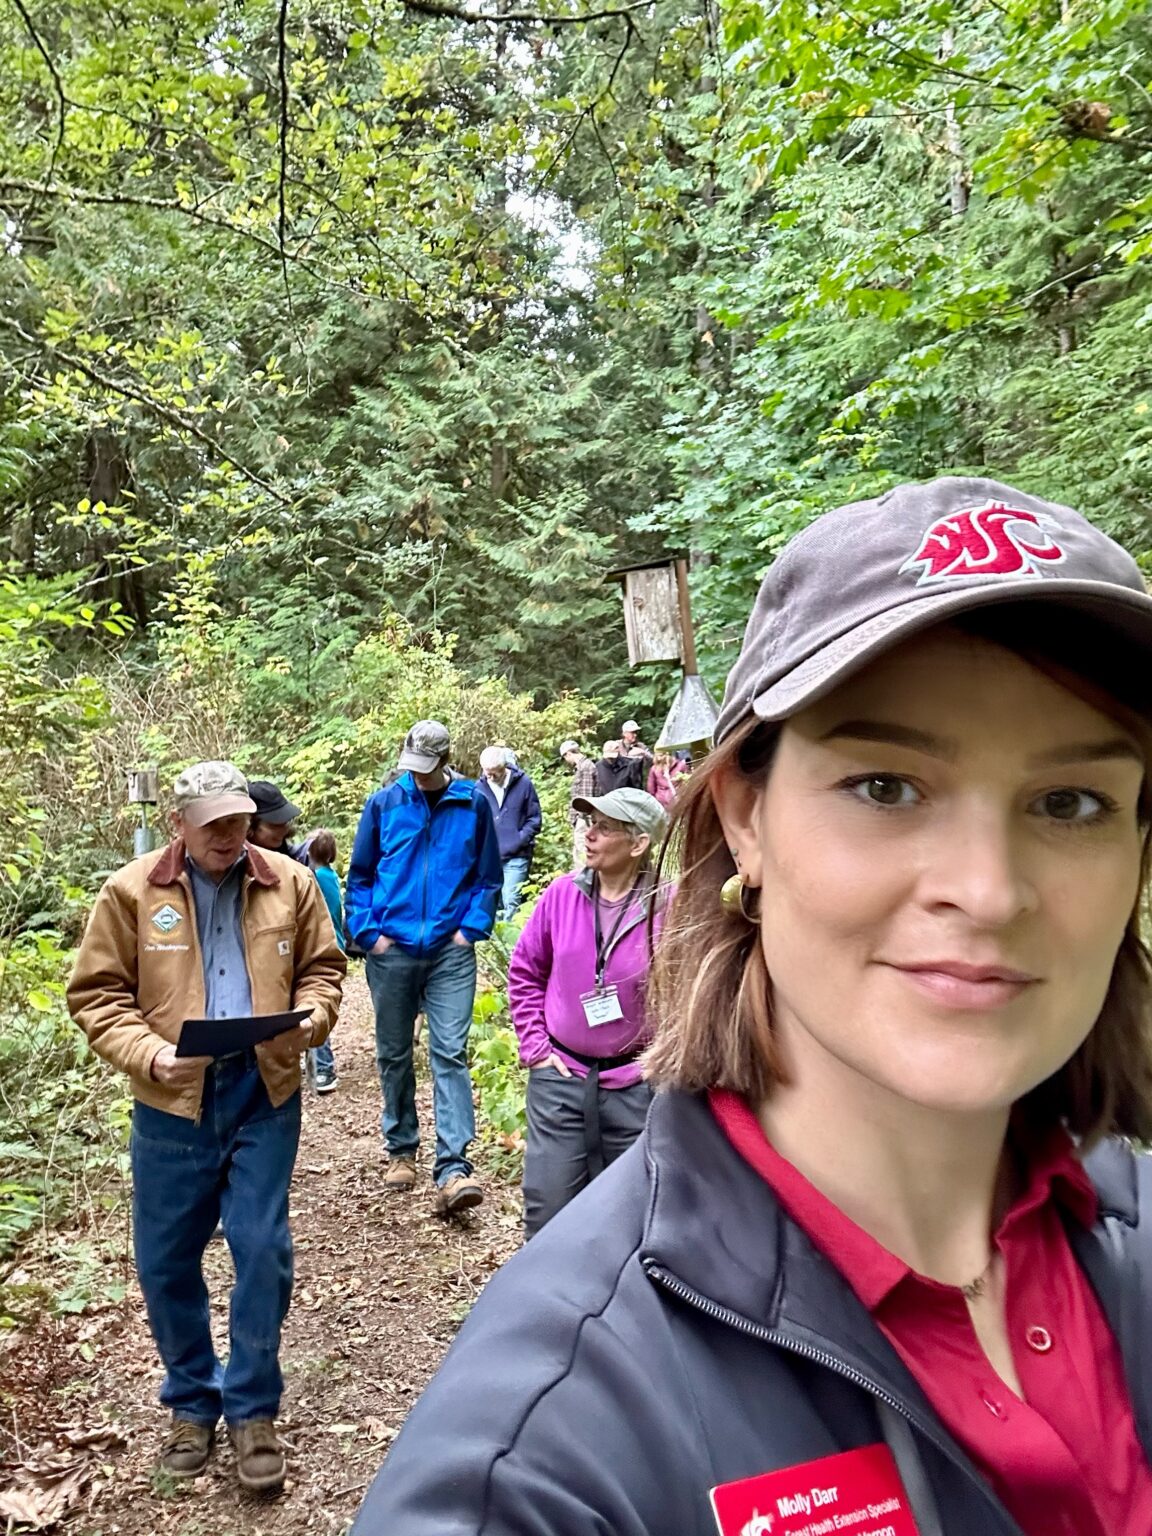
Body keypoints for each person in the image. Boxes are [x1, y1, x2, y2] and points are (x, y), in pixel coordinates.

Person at [351, 477, 1152, 1536]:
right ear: (745, 820)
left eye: (1070, 803)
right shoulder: (546, 1463)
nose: (990, 890)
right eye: (887, 786)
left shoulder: (1132, 1231)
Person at [67, 762, 345, 1493]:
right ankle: (192, 1403)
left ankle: (253, 1410)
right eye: (214, 823)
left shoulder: (290, 880)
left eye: (239, 819)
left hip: (264, 1089)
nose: (231, 835)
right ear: (178, 825)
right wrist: (149, 1055)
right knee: (165, 1262)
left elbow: (324, 971)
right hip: (170, 1103)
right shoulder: (130, 893)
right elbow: (96, 995)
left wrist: (312, 1019)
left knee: (261, 1250)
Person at [346, 719, 503, 1215]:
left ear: (444, 760)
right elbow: (361, 875)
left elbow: (488, 876)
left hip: (449, 951)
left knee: (450, 1052)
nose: (415, 775)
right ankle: (401, 1148)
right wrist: (370, 935)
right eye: (410, 765)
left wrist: (469, 930)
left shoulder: (472, 803)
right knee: (394, 1052)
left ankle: (453, 1167)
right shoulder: (384, 804)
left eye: (424, 768)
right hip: (392, 950)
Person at [508, 788, 669, 1237]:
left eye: (604, 827)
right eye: (588, 824)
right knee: (548, 1213)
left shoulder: (667, 906)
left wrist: (662, 1063)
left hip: (636, 1088)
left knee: (629, 1220)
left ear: (638, 844)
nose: (590, 835)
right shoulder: (562, 895)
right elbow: (525, 971)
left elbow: (690, 995)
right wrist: (536, 1048)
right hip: (561, 1077)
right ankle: (544, 1307)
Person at [476, 744, 542, 921]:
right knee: (492, 903)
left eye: (494, 772)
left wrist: (519, 839)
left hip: (517, 855)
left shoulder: (523, 784)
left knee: (511, 901)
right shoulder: (479, 788)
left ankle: (513, 946)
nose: (490, 776)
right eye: (486, 772)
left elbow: (534, 819)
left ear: (504, 767)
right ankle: (495, 946)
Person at [303, 828, 345, 1094]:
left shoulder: (315, 878)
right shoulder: (329, 875)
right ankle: (315, 1065)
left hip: (323, 948)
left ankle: (325, 1068)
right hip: (333, 945)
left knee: (316, 1007)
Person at [560, 738, 596, 869]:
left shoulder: (586, 767)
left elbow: (585, 798)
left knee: (581, 853)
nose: (566, 761)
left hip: (584, 819)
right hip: (582, 819)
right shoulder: (581, 767)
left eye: (565, 757)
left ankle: (582, 882)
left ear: (568, 754)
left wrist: (580, 819)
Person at [247, 779, 303, 858]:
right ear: (250, 825)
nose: (283, 830)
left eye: (285, 822)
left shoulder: (290, 856)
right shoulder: (235, 862)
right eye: (274, 825)